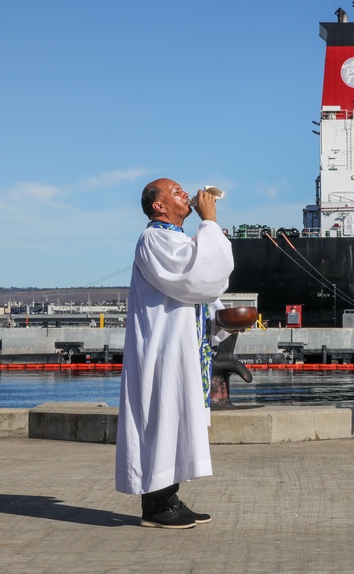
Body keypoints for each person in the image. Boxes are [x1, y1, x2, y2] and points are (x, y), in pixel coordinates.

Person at [115, 178, 234, 529]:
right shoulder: (154, 239)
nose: (186, 194)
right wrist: (209, 220)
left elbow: (203, 286)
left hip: (181, 347)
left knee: (177, 419)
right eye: (177, 191)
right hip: (161, 349)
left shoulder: (178, 240)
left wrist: (222, 318)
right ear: (159, 206)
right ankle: (155, 506)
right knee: (161, 419)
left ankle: (168, 497)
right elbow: (197, 276)